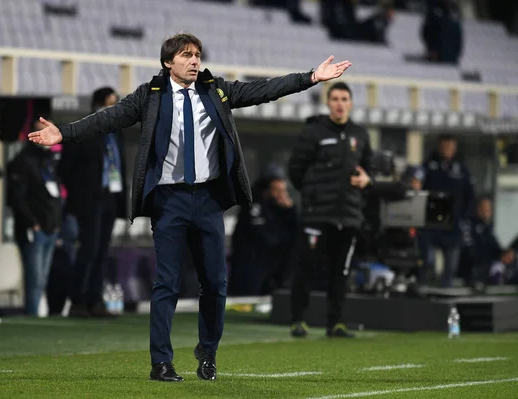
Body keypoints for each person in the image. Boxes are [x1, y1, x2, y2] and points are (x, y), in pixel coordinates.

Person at [28, 32, 351, 382]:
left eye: (197, 54)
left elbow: (264, 90)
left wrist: (311, 78)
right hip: (169, 200)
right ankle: (161, 363)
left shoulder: (216, 90)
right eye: (186, 55)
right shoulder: (150, 96)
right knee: (165, 282)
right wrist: (64, 133)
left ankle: (208, 352)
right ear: (169, 62)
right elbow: (108, 118)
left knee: (215, 283)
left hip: (209, 199)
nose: (195, 60)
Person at [288, 82, 372, 339]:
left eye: (344, 98)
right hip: (317, 214)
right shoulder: (313, 132)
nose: (339, 103)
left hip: (348, 215)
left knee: (341, 272)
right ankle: (298, 320)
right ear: (328, 103)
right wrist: (313, 195)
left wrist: (367, 180)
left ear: (351, 103)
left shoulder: (360, 134)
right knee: (307, 267)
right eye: (335, 98)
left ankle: (335, 323)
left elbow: (368, 171)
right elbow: (295, 170)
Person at [58, 87, 128, 318]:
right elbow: (65, 168)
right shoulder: (84, 130)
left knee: (101, 252)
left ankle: (94, 300)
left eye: (115, 104)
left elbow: (119, 165)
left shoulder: (115, 132)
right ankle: (77, 301)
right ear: (97, 105)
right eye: (109, 103)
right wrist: (81, 192)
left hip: (109, 197)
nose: (113, 108)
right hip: (89, 200)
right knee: (87, 250)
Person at [7, 118, 63, 316]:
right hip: (34, 229)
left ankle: (36, 314)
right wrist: (33, 223)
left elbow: (54, 195)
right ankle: (31, 317)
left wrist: (56, 224)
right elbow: (17, 199)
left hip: (50, 228)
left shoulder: (48, 161)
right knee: (34, 278)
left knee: (43, 278)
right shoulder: (22, 161)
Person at [418, 134, 474, 288]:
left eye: (450, 147)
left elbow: (470, 196)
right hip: (430, 220)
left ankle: (445, 297)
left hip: (453, 223)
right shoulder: (429, 165)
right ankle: (424, 289)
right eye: (444, 146)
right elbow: (418, 186)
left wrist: (464, 217)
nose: (447, 150)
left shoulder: (461, 169)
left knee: (450, 267)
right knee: (427, 261)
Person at [229, 175, 298, 296]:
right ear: (266, 191)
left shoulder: (283, 210)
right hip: (251, 264)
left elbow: (296, 232)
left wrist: (290, 210)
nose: (281, 195)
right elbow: (266, 237)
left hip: (273, 265)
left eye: (283, 190)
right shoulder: (254, 206)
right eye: (277, 190)